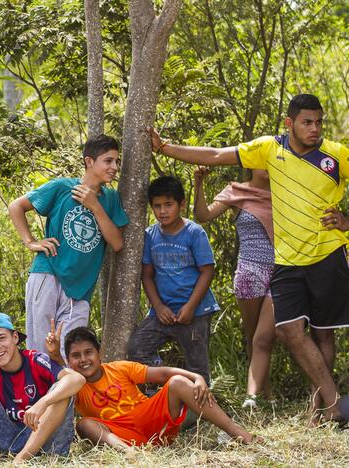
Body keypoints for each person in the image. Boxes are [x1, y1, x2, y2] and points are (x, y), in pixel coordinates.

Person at [150, 93, 349, 423]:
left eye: (318, 122)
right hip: (285, 260)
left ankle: (324, 409)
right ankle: (334, 403)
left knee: (323, 333)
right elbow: (215, 155)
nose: (315, 129)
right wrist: (165, 148)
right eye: (307, 123)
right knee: (288, 330)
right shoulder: (269, 148)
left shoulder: (336, 155)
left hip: (327, 253)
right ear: (289, 123)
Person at [8, 134, 129, 357]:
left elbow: (117, 243)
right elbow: (16, 206)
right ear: (89, 161)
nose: (114, 167)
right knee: (40, 349)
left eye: (116, 161)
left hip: (81, 288)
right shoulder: (63, 187)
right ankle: (42, 392)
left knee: (72, 352)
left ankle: (67, 393)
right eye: (108, 161)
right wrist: (31, 242)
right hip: (48, 273)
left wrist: (95, 206)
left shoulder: (110, 199)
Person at [50, 327, 255, 450]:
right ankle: (130, 455)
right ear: (69, 361)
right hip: (121, 435)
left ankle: (238, 433)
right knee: (84, 424)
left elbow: (165, 374)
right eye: (76, 356)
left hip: (152, 422)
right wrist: (55, 357)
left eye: (89, 352)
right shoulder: (76, 385)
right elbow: (63, 375)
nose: (84, 360)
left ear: (100, 353)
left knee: (177, 382)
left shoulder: (119, 368)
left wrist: (198, 377)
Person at [0, 311, 84, 463]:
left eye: (2, 338)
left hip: (47, 443)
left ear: (15, 338)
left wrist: (43, 402)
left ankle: (20, 461)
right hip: (9, 444)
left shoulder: (35, 360)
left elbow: (77, 378)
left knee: (62, 392)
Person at [194, 166, 275, 407]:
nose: (269, 166)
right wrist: (198, 184)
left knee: (267, 336)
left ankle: (258, 393)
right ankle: (261, 394)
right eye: (263, 160)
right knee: (253, 336)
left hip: (283, 271)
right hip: (250, 272)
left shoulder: (286, 189)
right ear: (250, 163)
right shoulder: (236, 191)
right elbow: (204, 215)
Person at [127, 176, 220, 384]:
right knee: (137, 349)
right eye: (157, 206)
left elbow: (207, 271)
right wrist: (158, 307)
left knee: (197, 364)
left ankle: (198, 408)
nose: (163, 211)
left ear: (182, 204)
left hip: (195, 312)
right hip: (163, 312)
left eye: (168, 205)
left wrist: (190, 307)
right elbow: (147, 276)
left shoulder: (194, 232)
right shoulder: (150, 235)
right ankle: (166, 388)